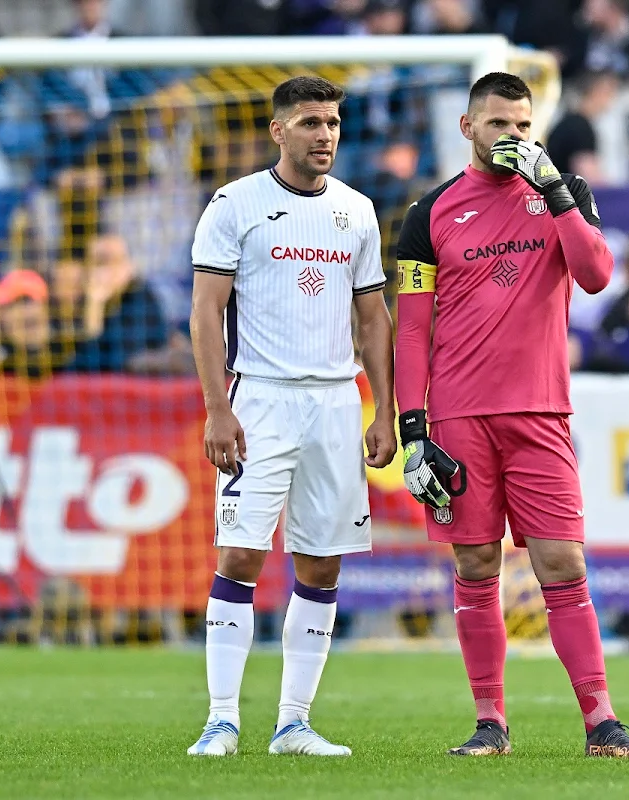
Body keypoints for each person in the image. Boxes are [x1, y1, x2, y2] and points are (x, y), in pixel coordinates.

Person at [394, 71, 629, 759]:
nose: (511, 137)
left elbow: (597, 275)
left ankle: (602, 722)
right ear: (467, 128)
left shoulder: (565, 195)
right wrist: (412, 429)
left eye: (522, 125)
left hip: (540, 412)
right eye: (498, 125)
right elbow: (412, 330)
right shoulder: (428, 215)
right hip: (458, 417)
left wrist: (555, 191)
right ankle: (490, 723)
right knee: (477, 564)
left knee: (562, 562)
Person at [186, 76, 396, 758]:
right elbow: (205, 312)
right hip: (262, 399)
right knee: (242, 553)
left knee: (322, 567)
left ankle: (294, 724)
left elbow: (373, 318)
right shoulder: (235, 204)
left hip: (337, 401)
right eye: (310, 122)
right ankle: (221, 719)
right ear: (279, 131)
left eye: (332, 122)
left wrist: (383, 410)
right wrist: (218, 408)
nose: (325, 135)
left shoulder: (358, 212)